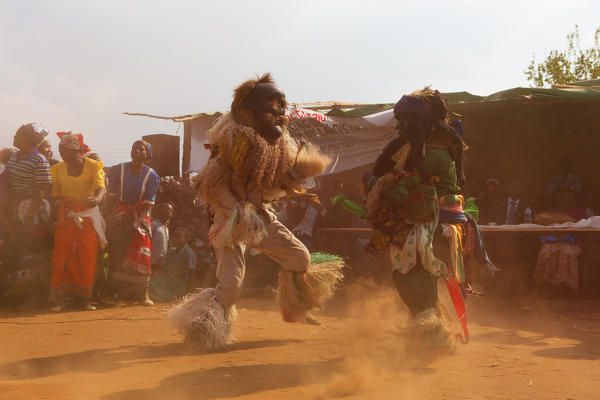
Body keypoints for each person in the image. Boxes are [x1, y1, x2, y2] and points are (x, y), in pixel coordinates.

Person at [168, 73, 344, 350]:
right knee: (231, 285)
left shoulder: (279, 145)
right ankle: (201, 328)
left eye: (279, 107)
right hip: (229, 220)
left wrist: (297, 173)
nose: (277, 114)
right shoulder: (235, 139)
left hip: (259, 216)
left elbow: (278, 180)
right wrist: (236, 212)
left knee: (299, 257)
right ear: (253, 111)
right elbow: (210, 184)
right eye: (271, 107)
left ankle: (295, 305)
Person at [363, 89, 473, 354]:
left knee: (414, 280)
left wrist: (378, 187)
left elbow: (416, 196)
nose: (401, 127)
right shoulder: (426, 148)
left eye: (406, 122)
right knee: (414, 280)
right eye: (399, 121)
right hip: (426, 224)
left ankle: (432, 341)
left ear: (422, 123)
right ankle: (431, 335)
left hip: (426, 225)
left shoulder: (430, 154)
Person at [48, 133, 106, 311]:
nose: (61, 153)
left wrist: (96, 199)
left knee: (86, 257)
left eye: (64, 150)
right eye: (59, 150)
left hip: (88, 216)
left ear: (75, 150)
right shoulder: (57, 169)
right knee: (62, 257)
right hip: (67, 215)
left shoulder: (93, 166)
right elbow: (55, 195)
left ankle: (85, 298)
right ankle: (61, 298)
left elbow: (100, 188)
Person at [106, 140, 160, 306]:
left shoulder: (152, 175)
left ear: (147, 154)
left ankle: (143, 294)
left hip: (141, 214)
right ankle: (121, 295)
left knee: (142, 250)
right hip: (121, 212)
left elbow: (149, 203)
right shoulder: (117, 170)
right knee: (120, 253)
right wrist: (108, 217)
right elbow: (111, 196)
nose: (137, 151)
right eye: (134, 148)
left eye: (141, 149)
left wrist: (137, 222)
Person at [2, 123, 53, 300]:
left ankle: (31, 293)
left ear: (29, 140)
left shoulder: (40, 160)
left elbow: (40, 192)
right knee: (15, 245)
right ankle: (16, 290)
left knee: (30, 246)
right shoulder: (15, 157)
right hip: (16, 207)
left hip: (33, 208)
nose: (14, 138)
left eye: (18, 135)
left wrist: (30, 216)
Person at [533, 187, 587, 293]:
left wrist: (559, 220)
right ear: (558, 200)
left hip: (573, 242)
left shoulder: (580, 211)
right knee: (546, 251)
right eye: (564, 198)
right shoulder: (552, 211)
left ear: (574, 199)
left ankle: (567, 287)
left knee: (566, 252)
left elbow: (581, 225)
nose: (567, 200)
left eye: (570, 198)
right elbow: (539, 218)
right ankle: (545, 285)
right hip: (553, 241)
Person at [149, 228, 197, 302]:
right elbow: (162, 268)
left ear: (186, 239)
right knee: (150, 285)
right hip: (165, 281)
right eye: (174, 237)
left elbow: (191, 272)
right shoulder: (170, 251)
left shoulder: (189, 253)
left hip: (178, 284)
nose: (175, 239)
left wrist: (189, 290)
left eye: (179, 237)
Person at [151, 202, 174, 271]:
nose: (168, 212)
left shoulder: (167, 229)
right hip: (151, 262)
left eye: (171, 211)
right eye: (165, 209)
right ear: (159, 211)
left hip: (160, 265)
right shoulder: (153, 225)